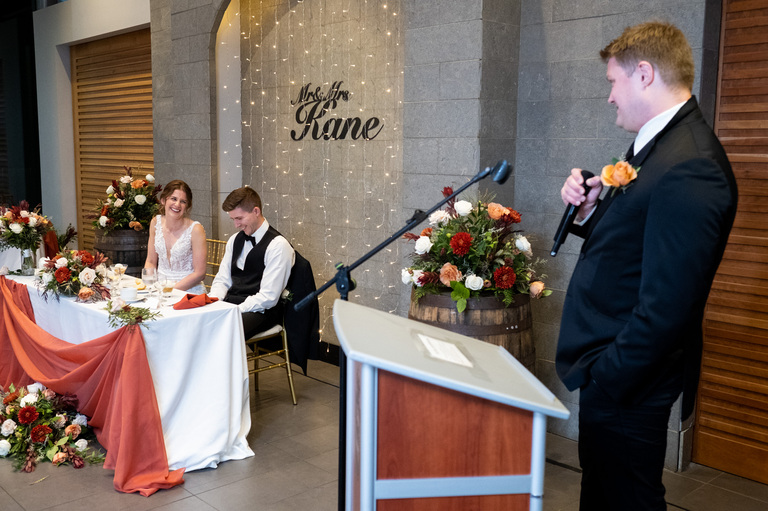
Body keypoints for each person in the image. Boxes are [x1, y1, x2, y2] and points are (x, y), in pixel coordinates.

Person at [556, 21, 738, 510]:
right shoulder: (660, 146)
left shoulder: (690, 165)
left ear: (643, 74)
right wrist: (593, 210)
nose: (610, 97)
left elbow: (668, 306)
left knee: (627, 500)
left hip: (628, 382)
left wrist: (608, 377)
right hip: (616, 373)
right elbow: (635, 248)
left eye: (612, 82)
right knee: (604, 495)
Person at [209, 186, 295, 339]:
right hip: (232, 304)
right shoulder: (234, 240)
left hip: (261, 311)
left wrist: (235, 310)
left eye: (239, 218)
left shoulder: (278, 246)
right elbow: (222, 280)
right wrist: (214, 301)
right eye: (233, 219)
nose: (236, 225)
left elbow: (268, 298)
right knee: (198, 323)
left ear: (256, 211)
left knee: (220, 333)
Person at [144, 179, 207, 294]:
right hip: (159, 290)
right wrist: (149, 287)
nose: (177, 205)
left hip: (188, 291)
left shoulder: (196, 229)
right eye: (173, 199)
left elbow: (200, 273)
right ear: (163, 200)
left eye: (183, 201)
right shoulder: (155, 223)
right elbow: (151, 261)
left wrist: (171, 291)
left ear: (187, 206)